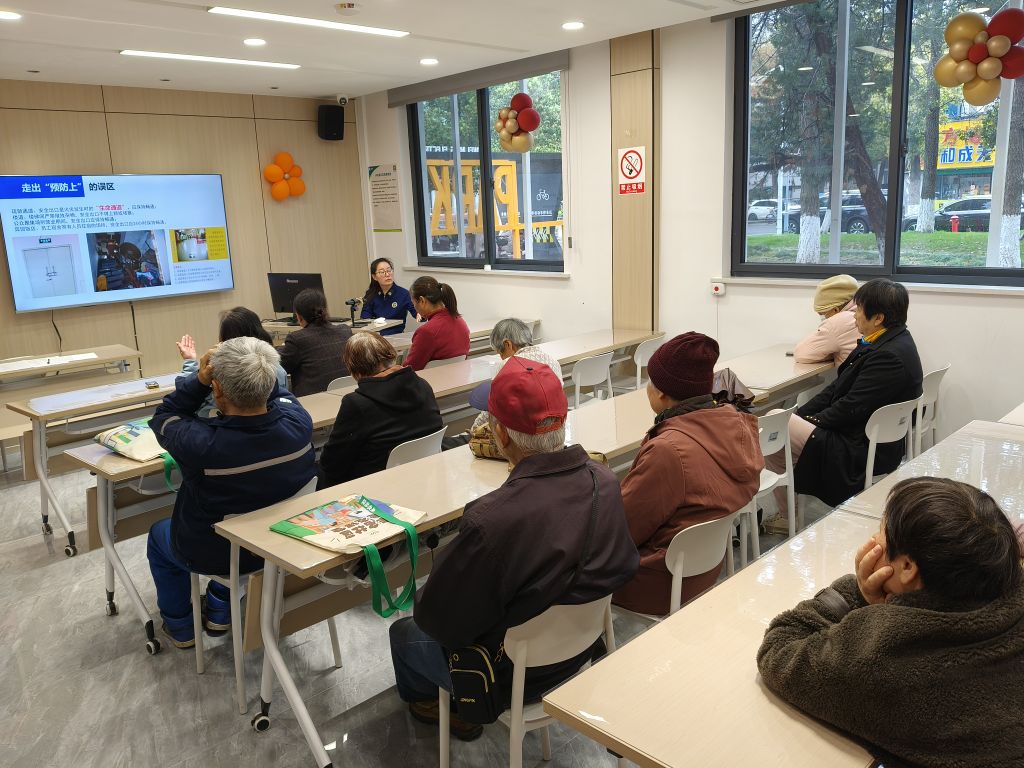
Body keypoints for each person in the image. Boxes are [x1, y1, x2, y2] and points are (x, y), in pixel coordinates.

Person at [388, 358, 639, 740]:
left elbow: (437, 620)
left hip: (507, 678)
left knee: (403, 633)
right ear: (563, 420)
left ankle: (449, 709)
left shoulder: (491, 520)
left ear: (500, 435)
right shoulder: (603, 480)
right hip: (582, 653)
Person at [758, 477, 1024, 768]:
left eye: (881, 530)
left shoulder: (885, 658)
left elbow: (780, 646)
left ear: (907, 567)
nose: (872, 540)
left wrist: (859, 594)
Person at [147, 337, 315, 649]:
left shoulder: (199, 443)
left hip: (218, 554)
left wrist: (199, 379)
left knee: (159, 536)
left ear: (217, 390)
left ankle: (181, 626)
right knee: (243, 521)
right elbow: (278, 394)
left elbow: (165, 414)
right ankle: (219, 607)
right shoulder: (298, 422)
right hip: (283, 543)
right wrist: (255, 367)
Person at [611, 333, 764, 615]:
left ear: (661, 393)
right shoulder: (736, 425)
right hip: (705, 568)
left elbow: (621, 530)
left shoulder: (669, 451)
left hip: (657, 580)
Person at [781, 278, 922, 508]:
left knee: (776, 427)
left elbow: (850, 407)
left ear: (878, 318)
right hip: (869, 438)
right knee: (785, 426)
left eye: (859, 310)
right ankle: (791, 508)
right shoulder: (891, 340)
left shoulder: (887, 357)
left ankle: (787, 514)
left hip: (861, 448)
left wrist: (810, 422)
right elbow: (837, 388)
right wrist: (803, 415)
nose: (854, 315)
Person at [317, 332, 442, 488]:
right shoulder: (423, 385)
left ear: (356, 371)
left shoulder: (357, 404)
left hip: (375, 485)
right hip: (423, 476)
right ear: (391, 356)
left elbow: (332, 463)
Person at [175, 306, 288, 417]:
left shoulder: (218, 372)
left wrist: (190, 362)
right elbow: (284, 404)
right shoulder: (276, 369)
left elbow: (185, 399)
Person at [279, 287, 353, 396]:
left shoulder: (296, 339)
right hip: (347, 396)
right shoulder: (345, 330)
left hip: (313, 400)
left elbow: (280, 368)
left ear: (299, 316)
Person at [403, 276, 470, 371]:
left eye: (414, 303)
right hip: (457, 377)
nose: (415, 308)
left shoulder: (426, 332)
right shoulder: (460, 322)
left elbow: (409, 370)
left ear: (422, 301)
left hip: (430, 379)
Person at [793, 274, 859, 365]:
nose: (823, 318)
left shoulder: (840, 321)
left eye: (823, 314)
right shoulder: (868, 312)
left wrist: (829, 352)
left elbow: (801, 354)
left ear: (835, 310)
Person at [360, 257, 416, 335]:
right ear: (374, 277)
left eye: (389, 270)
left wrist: (422, 312)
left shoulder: (403, 294)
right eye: (382, 272)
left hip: (395, 336)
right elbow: (365, 318)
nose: (387, 274)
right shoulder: (371, 294)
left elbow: (418, 313)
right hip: (374, 336)